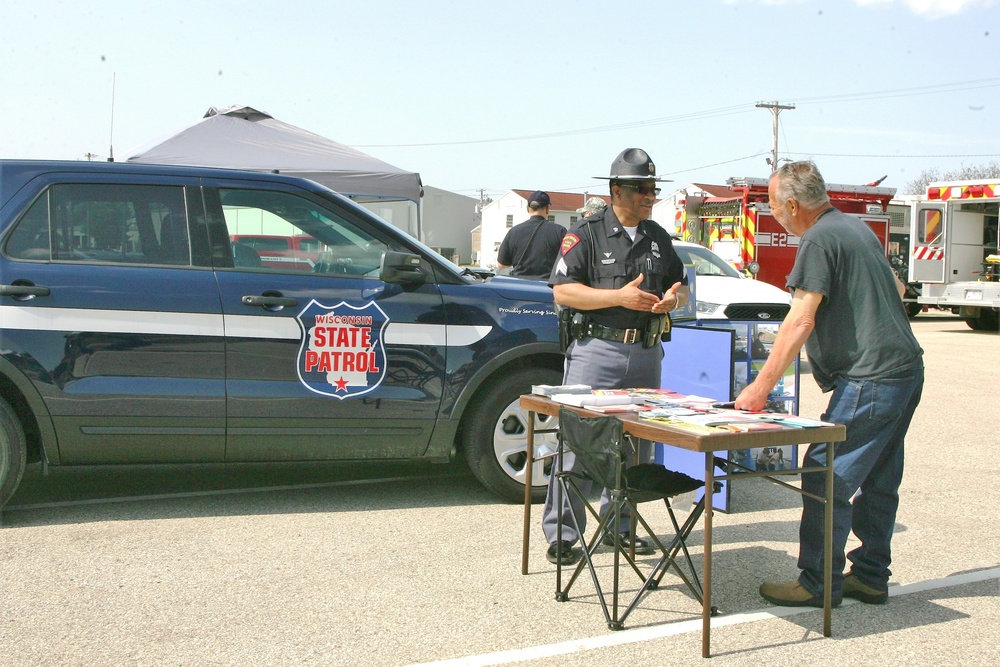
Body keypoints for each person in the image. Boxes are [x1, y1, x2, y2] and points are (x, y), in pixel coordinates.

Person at [735, 161, 924, 607]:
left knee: (825, 475)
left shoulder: (819, 238)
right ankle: (871, 577)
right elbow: (895, 290)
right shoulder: (854, 227)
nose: (774, 213)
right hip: (905, 370)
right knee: (879, 476)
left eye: (775, 206)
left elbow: (799, 319)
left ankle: (817, 583)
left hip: (871, 378)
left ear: (794, 205)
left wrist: (759, 388)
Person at [541, 148, 690, 565]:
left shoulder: (657, 236)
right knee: (579, 444)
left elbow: (681, 286)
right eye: (641, 189)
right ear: (615, 191)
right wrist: (618, 296)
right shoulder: (586, 233)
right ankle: (563, 534)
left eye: (652, 189)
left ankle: (619, 527)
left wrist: (673, 300)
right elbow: (563, 291)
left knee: (636, 448)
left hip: (645, 352)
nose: (649, 196)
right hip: (597, 351)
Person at [496, 191, 566, 280]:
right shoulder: (560, 231)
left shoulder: (513, 231)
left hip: (520, 287)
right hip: (548, 287)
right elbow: (569, 261)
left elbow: (501, 264)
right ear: (547, 209)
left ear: (527, 208)